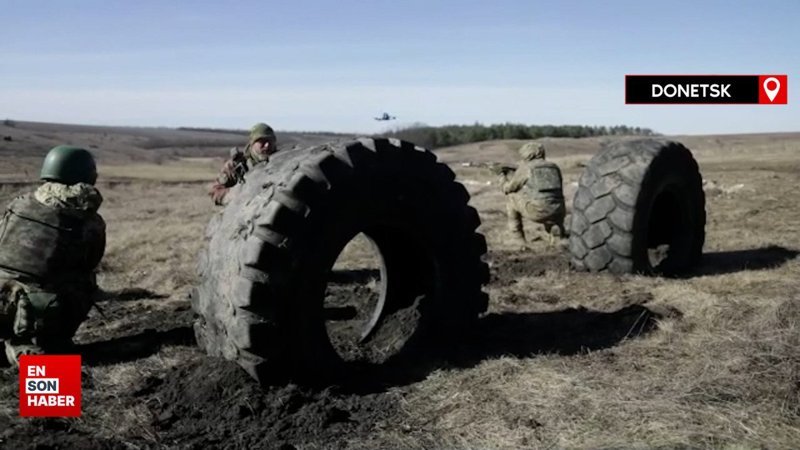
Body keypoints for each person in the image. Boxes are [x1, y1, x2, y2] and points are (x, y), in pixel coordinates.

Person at [0, 145, 106, 366]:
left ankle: (11, 340)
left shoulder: (19, 204)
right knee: (84, 281)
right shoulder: (90, 222)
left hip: (3, 299)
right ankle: (35, 350)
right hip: (41, 312)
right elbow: (90, 263)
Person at [499, 142, 566, 248]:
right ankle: (556, 233)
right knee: (547, 199)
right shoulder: (554, 167)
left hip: (538, 211)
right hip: (559, 211)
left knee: (511, 198)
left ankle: (517, 240)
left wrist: (502, 177)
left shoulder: (526, 168)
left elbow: (508, 189)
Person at [209, 122, 278, 205]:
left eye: (270, 141)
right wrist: (235, 195)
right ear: (252, 143)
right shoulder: (237, 165)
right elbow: (215, 192)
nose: (267, 145)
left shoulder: (282, 162)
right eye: (262, 141)